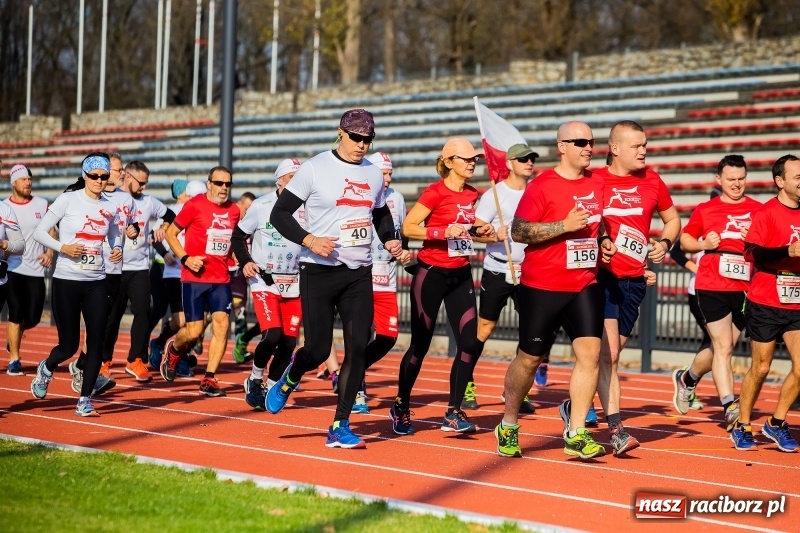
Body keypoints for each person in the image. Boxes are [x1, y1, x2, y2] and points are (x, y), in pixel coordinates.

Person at [265, 109, 403, 449]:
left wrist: (390, 239)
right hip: (319, 270)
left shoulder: (373, 174)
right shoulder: (314, 168)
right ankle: (291, 376)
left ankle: (340, 424)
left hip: (359, 274)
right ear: (341, 133)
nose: (362, 145)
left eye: (368, 140)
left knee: (357, 350)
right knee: (317, 350)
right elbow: (279, 214)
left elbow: (380, 213)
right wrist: (310, 240)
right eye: (356, 138)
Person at [494, 121, 615, 460]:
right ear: (562, 146)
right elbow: (519, 231)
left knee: (590, 356)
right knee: (530, 359)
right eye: (580, 142)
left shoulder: (598, 182)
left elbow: (598, 221)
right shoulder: (542, 185)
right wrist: (564, 225)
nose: (588, 147)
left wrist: (604, 239)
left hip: (584, 283)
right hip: (541, 286)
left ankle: (576, 433)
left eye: (591, 141)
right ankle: (508, 423)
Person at [391, 137, 495, 436]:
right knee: (420, 345)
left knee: (470, 343)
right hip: (432, 274)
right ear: (449, 162)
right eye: (467, 159)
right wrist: (441, 231)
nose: (473, 163)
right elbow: (409, 227)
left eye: (475, 159)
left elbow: (467, 231)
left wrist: (484, 231)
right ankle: (401, 404)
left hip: (461, 275)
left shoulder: (472, 193)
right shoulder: (434, 193)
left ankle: (453, 411)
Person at [592, 120, 681, 456]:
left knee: (609, 356)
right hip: (602, 277)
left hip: (635, 280)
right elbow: (586, 221)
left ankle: (575, 405)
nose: (644, 150)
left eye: (645, 145)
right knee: (610, 356)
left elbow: (672, 220)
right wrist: (601, 240)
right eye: (637, 145)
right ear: (615, 149)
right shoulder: (594, 180)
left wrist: (665, 243)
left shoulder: (653, 180)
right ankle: (617, 430)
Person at [674, 155, 761, 432]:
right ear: (718, 179)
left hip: (745, 287)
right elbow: (685, 242)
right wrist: (704, 244)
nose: (737, 184)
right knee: (723, 347)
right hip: (712, 284)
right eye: (731, 179)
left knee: (722, 347)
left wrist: (755, 239)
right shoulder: (706, 209)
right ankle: (729, 406)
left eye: (741, 178)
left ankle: (687, 378)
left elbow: (773, 245)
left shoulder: (759, 210)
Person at [30, 153, 123, 416]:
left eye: (104, 176)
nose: (99, 181)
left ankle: (84, 399)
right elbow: (39, 232)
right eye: (94, 176)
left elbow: (114, 235)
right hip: (67, 280)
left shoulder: (110, 206)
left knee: (96, 343)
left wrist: (116, 248)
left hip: (96, 282)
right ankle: (47, 368)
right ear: (85, 176)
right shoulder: (68, 199)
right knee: (69, 345)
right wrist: (64, 248)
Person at [461, 143, 538, 414]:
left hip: (529, 271)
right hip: (497, 269)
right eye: (523, 159)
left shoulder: (536, 191)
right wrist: (494, 235)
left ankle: (517, 389)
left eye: (531, 158)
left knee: (532, 332)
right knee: (485, 328)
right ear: (509, 164)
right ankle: (465, 383)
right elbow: (473, 232)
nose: (529, 163)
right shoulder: (495, 194)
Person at [732, 154, 800, 452]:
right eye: (798, 177)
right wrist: (788, 251)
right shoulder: (767, 213)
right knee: (761, 368)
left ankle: (776, 422)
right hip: (766, 299)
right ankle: (743, 424)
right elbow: (753, 254)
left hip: (796, 301)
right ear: (780, 181)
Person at [160, 167, 240, 396]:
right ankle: (174, 349)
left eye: (228, 184)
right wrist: (186, 258)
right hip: (195, 278)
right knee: (194, 332)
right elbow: (170, 234)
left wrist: (236, 257)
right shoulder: (194, 205)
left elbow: (231, 240)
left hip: (221, 278)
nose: (223, 188)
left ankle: (209, 379)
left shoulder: (234, 210)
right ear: (209, 184)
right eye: (219, 183)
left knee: (222, 325)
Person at [232, 158, 305, 409]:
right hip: (264, 280)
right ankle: (254, 378)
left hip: (294, 282)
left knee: (289, 343)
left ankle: (270, 387)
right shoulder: (261, 205)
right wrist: (246, 261)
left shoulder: (310, 207)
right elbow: (238, 236)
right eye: (292, 178)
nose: (296, 183)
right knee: (272, 335)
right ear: (279, 180)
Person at [69, 151, 138, 393]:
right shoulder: (84, 195)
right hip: (90, 270)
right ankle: (84, 369)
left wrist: (133, 231)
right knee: (94, 324)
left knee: (105, 323)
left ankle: (83, 365)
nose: (121, 174)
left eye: (119, 170)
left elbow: (132, 226)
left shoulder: (126, 199)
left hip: (115, 270)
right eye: (117, 170)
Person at [102, 160, 174, 382]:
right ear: (127, 177)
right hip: (114, 267)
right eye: (141, 183)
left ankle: (136, 359)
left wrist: (163, 228)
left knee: (143, 311)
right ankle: (104, 361)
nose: (143, 187)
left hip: (139, 267)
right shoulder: (111, 198)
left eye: (146, 183)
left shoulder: (149, 202)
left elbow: (170, 215)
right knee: (111, 317)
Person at [351, 151, 411, 414]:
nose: (387, 179)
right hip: (360, 276)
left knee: (388, 337)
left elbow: (402, 232)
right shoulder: (358, 195)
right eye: (383, 173)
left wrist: (403, 251)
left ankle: (354, 368)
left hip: (386, 279)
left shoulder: (397, 198)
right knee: (360, 337)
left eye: (390, 174)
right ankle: (357, 391)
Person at [668, 188, 724, 413]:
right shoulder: (703, 223)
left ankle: (688, 380)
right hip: (700, 292)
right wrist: (696, 268)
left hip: (728, 292)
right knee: (718, 342)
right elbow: (676, 251)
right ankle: (688, 381)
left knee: (716, 343)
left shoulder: (735, 226)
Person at [148, 180, 206, 374]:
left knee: (200, 321)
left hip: (201, 273)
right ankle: (160, 343)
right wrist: (166, 253)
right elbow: (156, 235)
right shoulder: (174, 211)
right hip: (175, 272)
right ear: (186, 195)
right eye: (194, 197)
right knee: (181, 321)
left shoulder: (209, 212)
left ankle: (181, 354)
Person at [4, 165, 50, 376]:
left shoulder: (42, 204)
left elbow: (51, 230)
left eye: (30, 179)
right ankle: (14, 359)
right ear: (13, 183)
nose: (28, 182)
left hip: (36, 269)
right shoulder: (5, 207)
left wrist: (49, 252)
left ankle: (13, 337)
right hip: (12, 267)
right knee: (15, 312)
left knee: (32, 318)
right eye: (23, 179)